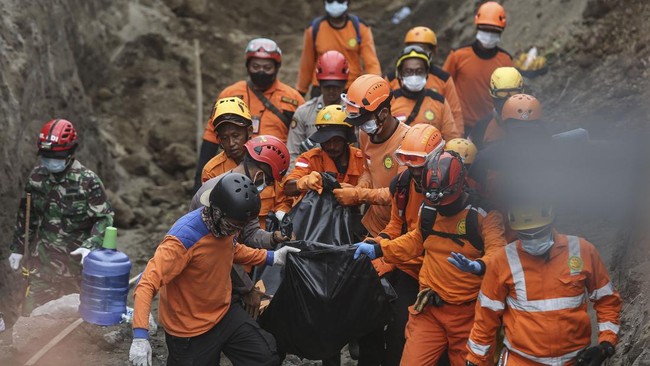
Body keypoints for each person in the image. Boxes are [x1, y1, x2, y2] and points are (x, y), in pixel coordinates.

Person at [129, 173, 300, 366]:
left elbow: (231, 249)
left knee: (266, 356)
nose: (237, 231)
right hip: (189, 330)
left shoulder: (226, 226)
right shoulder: (183, 240)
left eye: (242, 227)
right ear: (217, 211)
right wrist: (140, 336)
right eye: (235, 226)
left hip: (224, 313)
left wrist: (272, 257)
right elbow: (146, 284)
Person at [353, 151, 506, 365]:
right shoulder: (429, 209)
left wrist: (480, 266)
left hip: (469, 314)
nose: (441, 207)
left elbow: (498, 251)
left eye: (446, 201)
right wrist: (379, 249)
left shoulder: (484, 215)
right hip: (429, 308)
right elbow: (415, 241)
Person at [465, 203, 622, 365]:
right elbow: (486, 315)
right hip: (521, 360)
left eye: (538, 233)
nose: (533, 239)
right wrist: (475, 359)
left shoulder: (583, 251)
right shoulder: (502, 260)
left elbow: (607, 300)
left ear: (551, 223)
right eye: (526, 235)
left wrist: (606, 344)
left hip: (575, 361)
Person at [9, 119, 113, 314]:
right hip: (42, 268)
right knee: (30, 321)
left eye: (55, 156)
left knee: (75, 326)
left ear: (70, 152)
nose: (50, 161)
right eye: (46, 156)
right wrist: (18, 248)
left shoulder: (88, 182)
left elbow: (104, 219)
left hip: (78, 270)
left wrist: (90, 246)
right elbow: (27, 216)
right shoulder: (37, 178)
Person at [373, 124, 445, 366]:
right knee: (397, 330)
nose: (416, 174)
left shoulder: (450, 188)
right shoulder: (403, 184)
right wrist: (381, 240)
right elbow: (396, 224)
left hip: (442, 272)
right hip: (410, 268)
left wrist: (387, 254)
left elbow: (426, 238)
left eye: (420, 168)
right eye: (411, 167)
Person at [196, 38, 304, 185]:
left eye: (267, 67)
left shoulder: (293, 99)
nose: (261, 71)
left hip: (279, 174)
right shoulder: (230, 94)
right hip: (235, 172)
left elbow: (302, 140)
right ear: (247, 67)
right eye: (255, 66)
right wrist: (198, 184)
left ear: (277, 67)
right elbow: (211, 137)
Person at [200, 97, 291, 233]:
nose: (231, 143)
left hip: (265, 239)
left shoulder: (269, 159)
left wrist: (281, 217)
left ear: (249, 131)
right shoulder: (212, 171)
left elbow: (283, 200)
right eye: (225, 138)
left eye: (236, 135)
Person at [336, 74, 410, 237]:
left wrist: (359, 195)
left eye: (364, 120)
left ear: (383, 113)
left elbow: (399, 194)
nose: (360, 127)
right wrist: (360, 188)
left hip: (400, 229)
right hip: (374, 223)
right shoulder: (366, 134)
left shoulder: (406, 142)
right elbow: (368, 171)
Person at [443, 1, 513, 135]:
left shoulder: (506, 60)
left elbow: (510, 96)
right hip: (460, 125)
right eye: (485, 29)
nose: (489, 34)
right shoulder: (458, 55)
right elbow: (443, 86)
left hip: (491, 126)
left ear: (501, 32)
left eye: (494, 31)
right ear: (478, 27)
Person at [296, 0, 381, 97]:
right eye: (331, 0)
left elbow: (371, 63)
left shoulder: (360, 28)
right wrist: (301, 91)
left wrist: (376, 87)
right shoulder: (314, 29)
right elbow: (307, 63)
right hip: (322, 88)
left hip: (350, 88)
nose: (335, 3)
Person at [386, 26, 464, 127]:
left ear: (432, 51)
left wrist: (455, 140)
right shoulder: (391, 78)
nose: (416, 51)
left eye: (423, 48)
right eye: (412, 47)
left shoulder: (443, 79)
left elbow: (455, 113)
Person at [283, 104, 364, 197]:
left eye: (337, 141)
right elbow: (288, 188)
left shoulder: (361, 159)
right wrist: (304, 183)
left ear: (346, 139)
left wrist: (357, 193)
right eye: (326, 141)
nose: (331, 147)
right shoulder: (309, 159)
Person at [287, 50, 349, 166]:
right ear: (319, 83)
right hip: (311, 176)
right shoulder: (303, 113)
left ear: (344, 83)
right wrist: (294, 181)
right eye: (327, 86)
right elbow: (293, 153)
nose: (331, 90)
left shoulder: (354, 112)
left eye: (336, 86)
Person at [390, 45, 461, 139]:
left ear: (427, 73)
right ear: (400, 73)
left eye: (419, 71)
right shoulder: (390, 101)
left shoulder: (440, 102)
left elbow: (451, 138)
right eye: (408, 71)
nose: (414, 76)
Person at [469, 67, 524, 149]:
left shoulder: (535, 126)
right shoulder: (481, 128)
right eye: (502, 93)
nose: (507, 99)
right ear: (492, 93)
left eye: (513, 92)